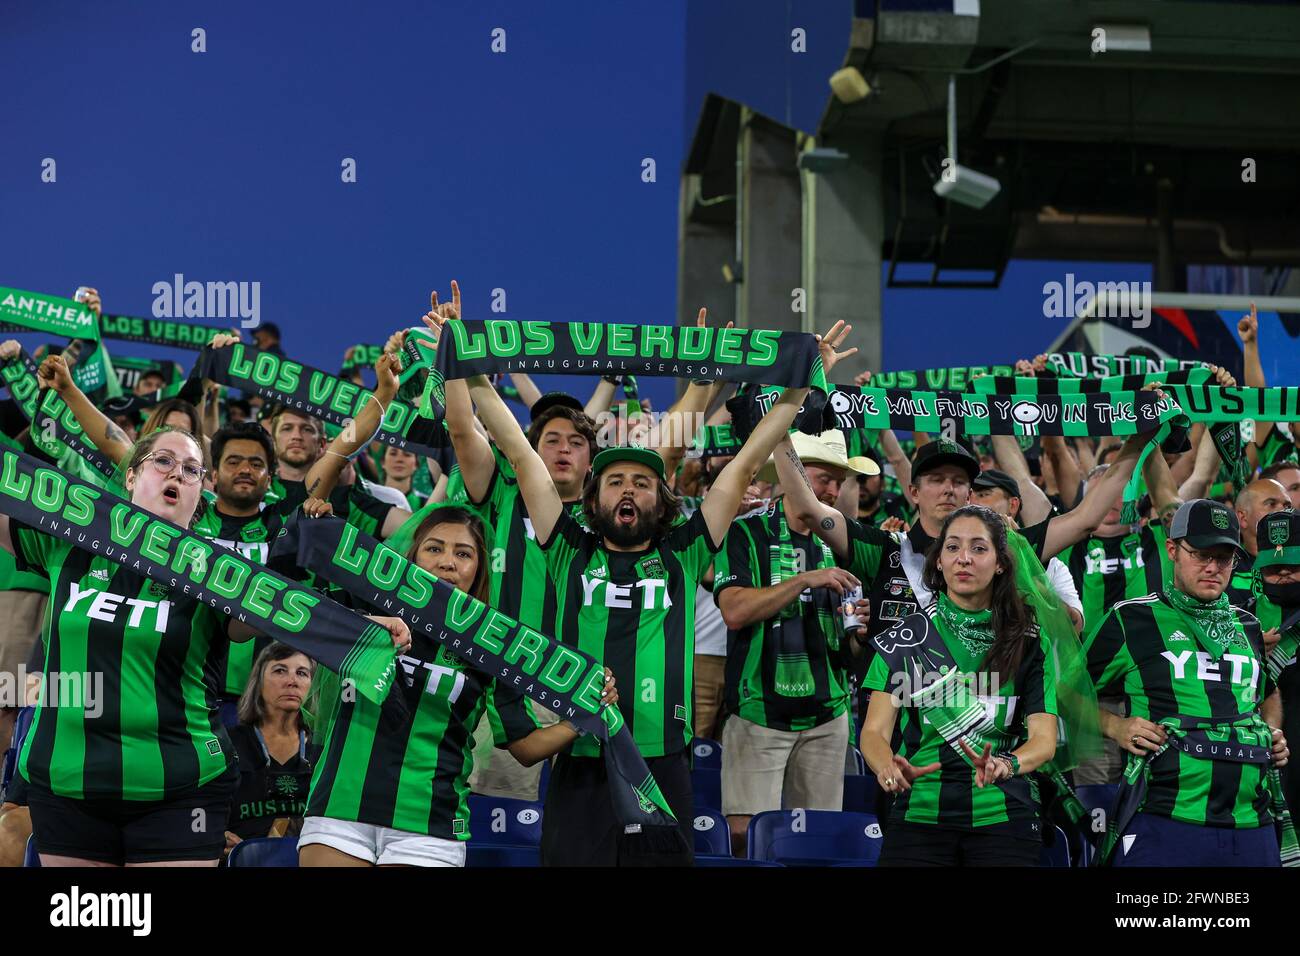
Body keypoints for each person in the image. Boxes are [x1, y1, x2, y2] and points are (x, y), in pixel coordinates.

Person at [461, 326, 835, 864]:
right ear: (595, 497)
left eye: (641, 482)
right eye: (615, 481)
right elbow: (520, 455)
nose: (629, 489)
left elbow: (747, 463)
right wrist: (470, 364)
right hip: (581, 754)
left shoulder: (684, 553)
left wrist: (798, 389)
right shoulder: (568, 547)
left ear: (660, 501)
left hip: (663, 762)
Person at [0, 427, 411, 866]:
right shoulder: (70, 543)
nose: (177, 473)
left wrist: (361, 626)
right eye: (163, 461)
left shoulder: (216, 570)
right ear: (131, 476)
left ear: (203, 492)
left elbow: (288, 614)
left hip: (180, 789)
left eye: (192, 470)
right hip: (67, 784)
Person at [296, 503, 616, 867]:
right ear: (412, 555)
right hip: (339, 809)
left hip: (429, 825)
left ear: (479, 567)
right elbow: (295, 608)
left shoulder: (491, 644)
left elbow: (525, 746)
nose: (447, 562)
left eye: (463, 553)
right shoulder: (363, 603)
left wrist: (584, 716)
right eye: (434, 548)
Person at [1083, 499, 1289, 866]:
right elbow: (1063, 694)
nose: (1212, 567)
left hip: (1252, 820)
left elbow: (1268, 692)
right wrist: (1115, 726)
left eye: (1224, 558)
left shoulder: (1249, 625)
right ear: (1172, 550)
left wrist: (1269, 733)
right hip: (1164, 815)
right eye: (1201, 555)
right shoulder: (1132, 618)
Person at [859, 505, 1059, 866]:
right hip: (919, 813)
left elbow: (1044, 741)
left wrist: (1007, 764)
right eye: (952, 548)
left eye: (979, 548)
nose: (964, 559)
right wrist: (886, 766)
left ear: (1000, 563)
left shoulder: (1030, 643)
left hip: (1004, 812)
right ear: (938, 561)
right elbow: (873, 732)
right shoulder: (904, 639)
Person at [715, 429, 875, 856]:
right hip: (759, 713)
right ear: (792, 477)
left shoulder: (843, 541)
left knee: (819, 843)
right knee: (744, 839)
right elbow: (734, 610)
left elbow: (852, 650)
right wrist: (804, 579)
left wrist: (861, 634)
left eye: (838, 482)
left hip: (828, 716)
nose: (832, 490)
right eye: (823, 478)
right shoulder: (745, 534)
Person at [224, 643, 320, 851]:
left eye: (302, 673)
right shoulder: (227, 743)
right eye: (280, 671)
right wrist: (216, 835)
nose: (292, 681)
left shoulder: (325, 752)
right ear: (258, 682)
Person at [971, 468, 1084, 633]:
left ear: (1013, 505)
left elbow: (1074, 627)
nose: (973, 503)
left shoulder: (1050, 566)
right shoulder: (957, 559)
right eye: (970, 495)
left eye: (983, 495)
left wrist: (1021, 556)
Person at [1227, 477, 1293, 607]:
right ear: (1243, 518)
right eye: (1271, 504)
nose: (1283, 511)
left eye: (1287, 506)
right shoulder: (1225, 568)